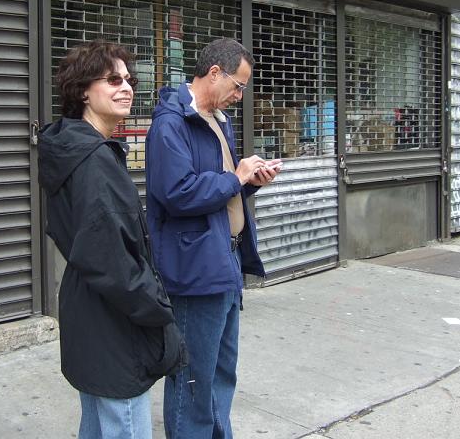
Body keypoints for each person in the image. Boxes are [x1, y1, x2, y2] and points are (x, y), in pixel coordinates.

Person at [37, 41, 187, 439]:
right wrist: (157, 308)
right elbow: (111, 259)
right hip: (114, 320)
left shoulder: (78, 149)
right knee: (123, 423)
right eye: (113, 79)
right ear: (84, 91)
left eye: (129, 79)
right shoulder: (93, 161)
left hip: (91, 309)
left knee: (99, 425)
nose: (126, 87)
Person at [145, 38, 281, 439]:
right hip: (196, 267)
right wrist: (235, 177)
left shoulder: (218, 120)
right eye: (237, 86)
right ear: (215, 73)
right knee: (193, 376)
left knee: (222, 370)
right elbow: (177, 193)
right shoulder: (171, 123)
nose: (240, 96)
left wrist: (249, 182)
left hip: (225, 259)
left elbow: (220, 189)